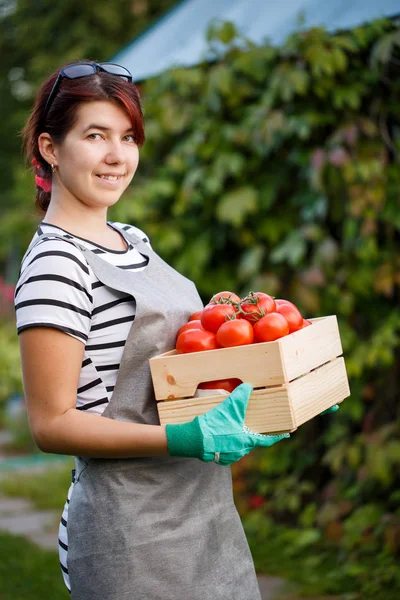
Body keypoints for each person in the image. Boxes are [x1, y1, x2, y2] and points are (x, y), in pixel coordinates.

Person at [15, 61, 336, 600]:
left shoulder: (132, 240)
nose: (118, 156)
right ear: (50, 148)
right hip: (129, 530)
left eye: (128, 137)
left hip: (204, 509)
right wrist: (185, 438)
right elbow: (51, 424)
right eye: (96, 136)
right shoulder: (56, 265)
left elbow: (184, 363)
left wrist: (284, 384)